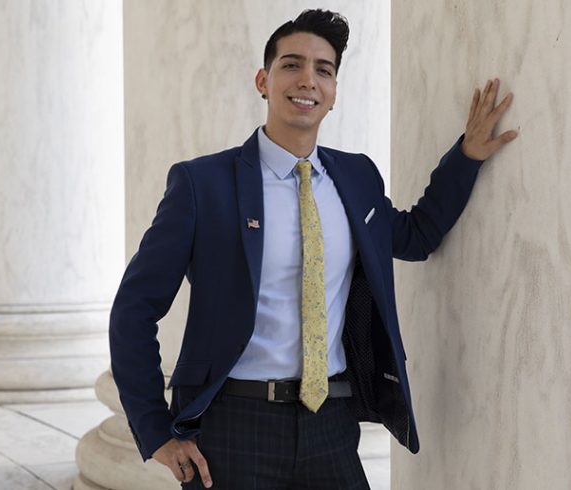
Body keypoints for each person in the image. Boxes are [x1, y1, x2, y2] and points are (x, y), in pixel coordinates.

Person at [109, 8, 517, 489]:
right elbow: (134, 309)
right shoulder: (203, 185)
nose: (308, 79)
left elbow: (416, 236)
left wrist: (465, 158)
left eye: (323, 70)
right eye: (291, 65)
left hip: (331, 420)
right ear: (263, 80)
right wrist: (156, 432)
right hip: (233, 426)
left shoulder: (357, 178)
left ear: (334, 93)